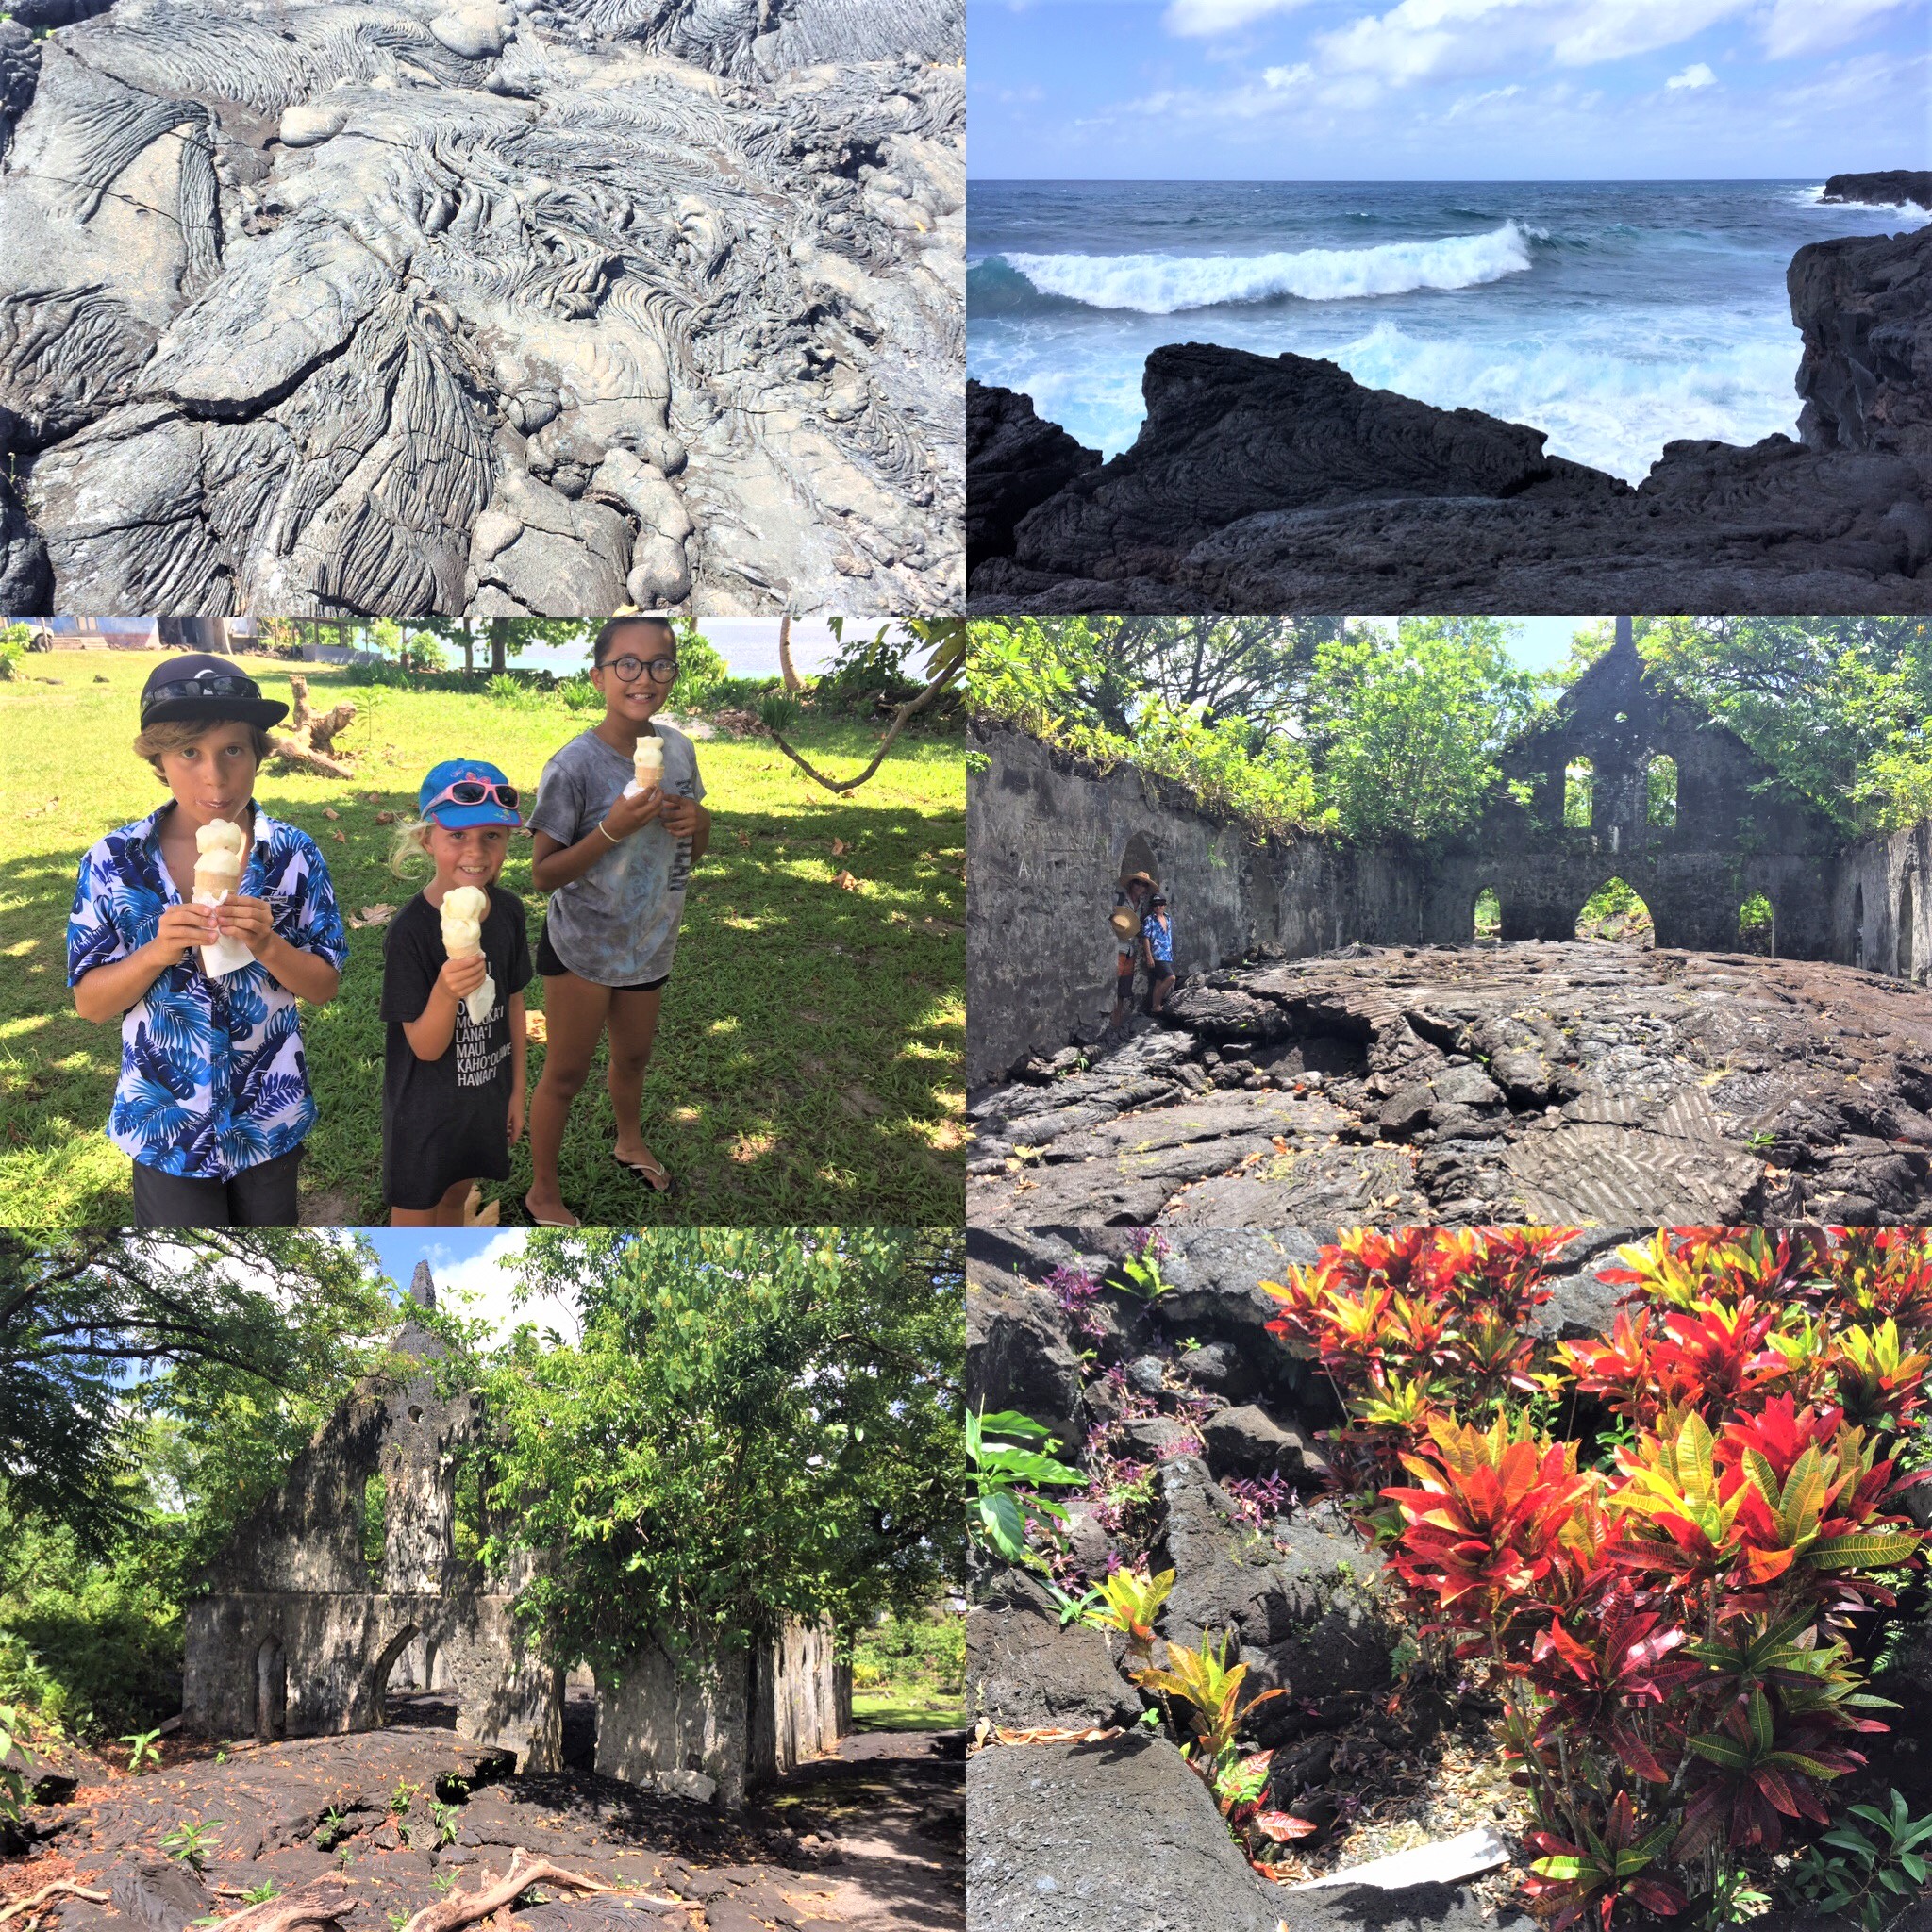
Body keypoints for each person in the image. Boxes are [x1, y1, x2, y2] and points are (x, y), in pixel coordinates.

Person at [67, 656, 345, 1226]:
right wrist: (156, 952)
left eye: (232, 751)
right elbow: (91, 1003)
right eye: (189, 753)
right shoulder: (115, 862)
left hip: (268, 1117)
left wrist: (270, 945)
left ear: (259, 753)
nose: (214, 777)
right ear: (158, 758)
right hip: (166, 1127)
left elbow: (324, 986)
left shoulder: (292, 855)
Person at [523, 614, 710, 1226]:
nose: (644, 677)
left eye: (661, 664)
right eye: (626, 664)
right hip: (581, 944)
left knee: (632, 1059)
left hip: (649, 941)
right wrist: (611, 829)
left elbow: (693, 848)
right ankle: (542, 1191)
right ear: (599, 676)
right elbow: (543, 875)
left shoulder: (677, 750)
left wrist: (696, 824)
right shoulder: (573, 766)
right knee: (567, 1072)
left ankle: (628, 1140)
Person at [380, 760, 533, 1227]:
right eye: (458, 836)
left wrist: (516, 1091)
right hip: (424, 1115)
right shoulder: (410, 934)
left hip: (484, 1099)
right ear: (427, 840)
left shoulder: (507, 913)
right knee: (414, 1218)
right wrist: (446, 993)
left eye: (492, 835)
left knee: (455, 1200)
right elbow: (424, 1048)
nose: (477, 852)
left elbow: (514, 1004)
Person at [1109, 870, 1155, 1027]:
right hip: (1117, 947)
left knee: (1123, 987)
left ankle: (1116, 1022)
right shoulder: (1119, 898)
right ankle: (1107, 1023)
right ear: (1131, 883)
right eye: (1137, 883)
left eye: (1143, 885)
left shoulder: (1141, 905)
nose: (1140, 887)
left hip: (1131, 950)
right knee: (1112, 985)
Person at [1143, 892, 1176, 1013]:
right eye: (1155, 905)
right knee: (1170, 978)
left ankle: (1155, 1007)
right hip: (1157, 955)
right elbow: (1145, 938)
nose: (1158, 907)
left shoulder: (1167, 917)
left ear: (1165, 905)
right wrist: (1149, 956)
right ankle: (1156, 1005)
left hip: (1167, 954)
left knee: (1158, 981)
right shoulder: (1149, 920)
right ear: (1152, 906)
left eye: (1161, 904)